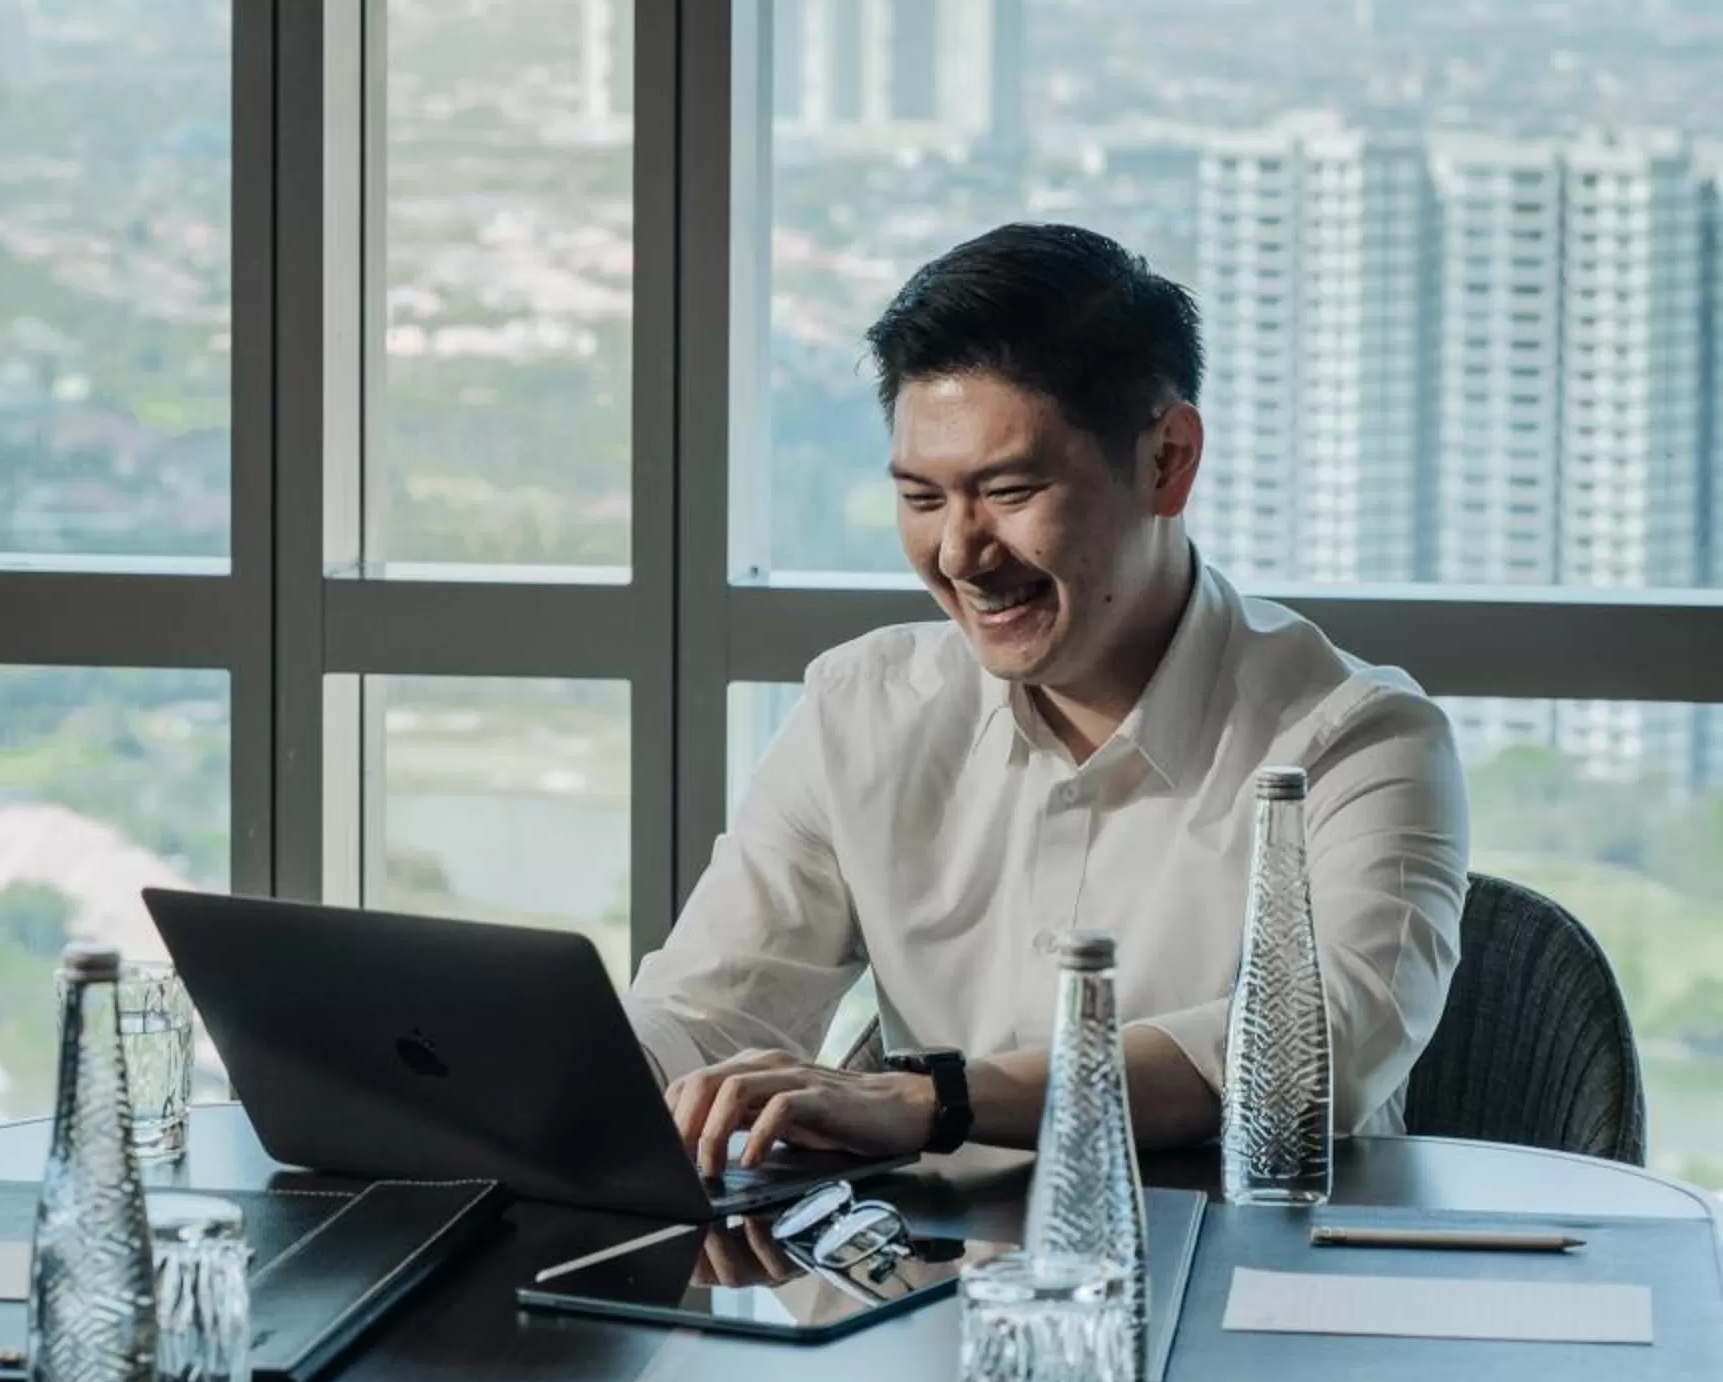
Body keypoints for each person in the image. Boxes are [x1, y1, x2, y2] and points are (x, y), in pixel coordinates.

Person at [627, 223, 1469, 1174]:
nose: (959, 554)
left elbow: (1316, 1053)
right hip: (934, 1263)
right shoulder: (860, 710)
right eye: (922, 498)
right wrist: (562, 1076)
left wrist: (939, 1101)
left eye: (1011, 490)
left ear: (1168, 460)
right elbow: (707, 1014)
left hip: (1240, 1257)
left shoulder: (1360, 742)